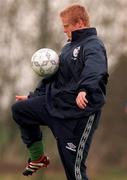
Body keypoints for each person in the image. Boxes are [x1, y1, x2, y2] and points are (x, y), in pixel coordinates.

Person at [11, 4, 108, 180]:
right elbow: (54, 78)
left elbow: (95, 69)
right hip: (56, 106)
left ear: (79, 23)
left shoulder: (93, 45)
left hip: (79, 115)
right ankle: (38, 158)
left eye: (66, 26)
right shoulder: (67, 48)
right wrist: (33, 97)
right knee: (20, 110)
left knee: (74, 172)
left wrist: (84, 90)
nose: (64, 31)